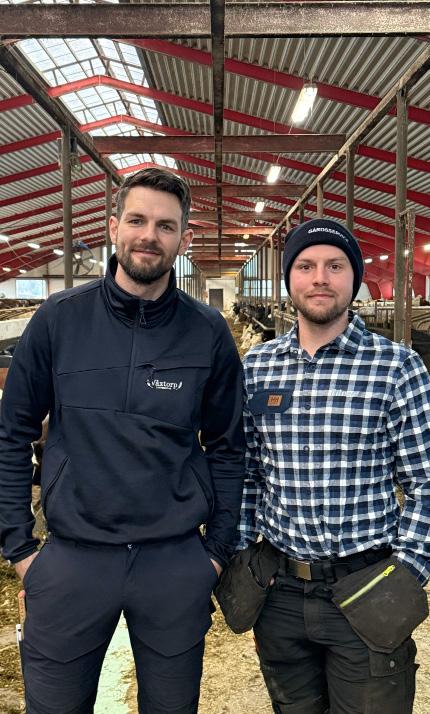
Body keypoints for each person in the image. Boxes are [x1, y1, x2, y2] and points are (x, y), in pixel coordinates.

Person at [0, 167, 245, 714]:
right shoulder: (58, 320)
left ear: (184, 239)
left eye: (165, 226)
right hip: (72, 561)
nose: (148, 236)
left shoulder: (206, 331)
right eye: (136, 220)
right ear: (113, 227)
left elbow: (229, 446)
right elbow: (11, 434)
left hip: (172, 564)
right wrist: (19, 548)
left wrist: (215, 552)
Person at [237, 218, 430, 714]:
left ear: (355, 278)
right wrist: (241, 557)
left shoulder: (397, 367)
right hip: (280, 592)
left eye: (335, 266)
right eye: (305, 266)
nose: (320, 278)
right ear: (289, 278)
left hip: (365, 585)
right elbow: (248, 474)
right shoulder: (257, 367)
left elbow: (426, 483)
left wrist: (408, 571)